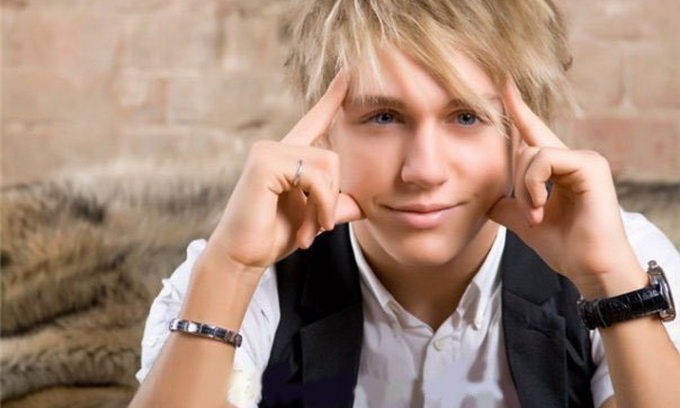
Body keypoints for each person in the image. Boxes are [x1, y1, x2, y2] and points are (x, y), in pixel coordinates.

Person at [129, 0, 680, 407]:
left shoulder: (627, 257)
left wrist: (610, 282)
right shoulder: (231, 273)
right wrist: (230, 270)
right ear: (323, 132)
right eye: (384, 117)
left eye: (467, 117)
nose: (424, 170)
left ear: (526, 133)